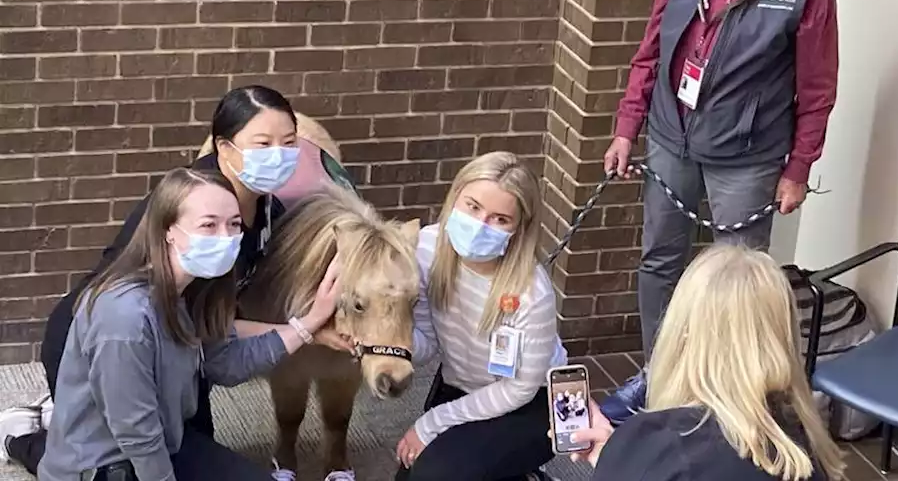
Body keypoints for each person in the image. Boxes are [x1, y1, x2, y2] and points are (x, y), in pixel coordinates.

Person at [599, 0, 840, 422]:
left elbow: (818, 88)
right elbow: (653, 47)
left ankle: (726, 396)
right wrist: (626, 128)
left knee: (737, 281)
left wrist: (798, 168)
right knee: (661, 260)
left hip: (747, 156)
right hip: (670, 136)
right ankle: (661, 378)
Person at [1, 85, 353, 472]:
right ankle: (27, 441)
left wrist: (309, 328)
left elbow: (218, 336)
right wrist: (299, 329)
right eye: (263, 143)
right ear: (224, 147)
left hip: (183, 346)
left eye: (289, 143)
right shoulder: (182, 207)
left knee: (176, 443)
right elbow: (148, 327)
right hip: (105, 341)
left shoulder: (265, 212)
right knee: (111, 453)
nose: (279, 155)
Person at [38, 167, 342, 480]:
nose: (225, 237)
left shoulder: (197, 289)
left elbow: (223, 364)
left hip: (167, 442)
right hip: (107, 464)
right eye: (208, 225)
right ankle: (30, 441)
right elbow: (136, 432)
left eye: (234, 224)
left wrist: (308, 324)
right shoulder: (125, 317)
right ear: (167, 230)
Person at [557, 244, 845, 480]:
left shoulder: (659, 442)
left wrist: (624, 457)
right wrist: (617, 458)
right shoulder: (807, 449)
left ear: (683, 332)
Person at [394, 152, 567, 481]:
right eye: (472, 207)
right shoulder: (425, 249)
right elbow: (428, 343)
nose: (480, 225)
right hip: (463, 386)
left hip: (535, 402)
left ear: (519, 228)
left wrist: (432, 422)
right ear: (454, 197)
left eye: (500, 219)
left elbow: (518, 390)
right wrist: (386, 341)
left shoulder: (533, 293)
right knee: (412, 473)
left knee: (436, 475)